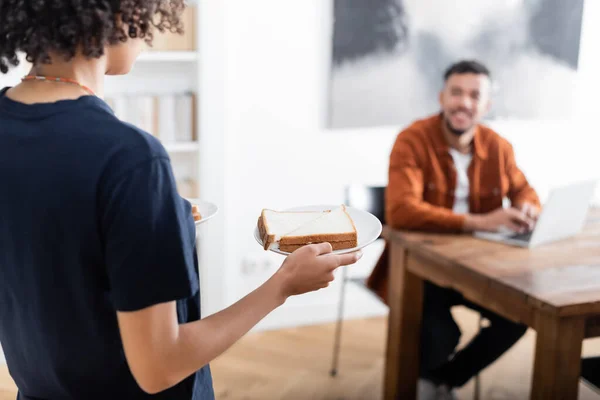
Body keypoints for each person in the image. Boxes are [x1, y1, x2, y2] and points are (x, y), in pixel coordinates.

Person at [0, 2, 362, 399]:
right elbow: (159, 366)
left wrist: (160, 216)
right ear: (116, 13)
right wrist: (282, 286)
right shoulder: (129, 158)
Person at [366, 60, 541, 399]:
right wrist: (481, 222)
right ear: (442, 97)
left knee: (518, 318)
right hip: (418, 269)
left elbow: (524, 189)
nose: (464, 102)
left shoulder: (498, 147)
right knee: (440, 333)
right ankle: (424, 382)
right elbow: (401, 211)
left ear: (486, 105)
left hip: (477, 267)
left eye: (475, 96)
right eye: (456, 93)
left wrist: (528, 207)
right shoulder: (412, 139)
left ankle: (442, 380)